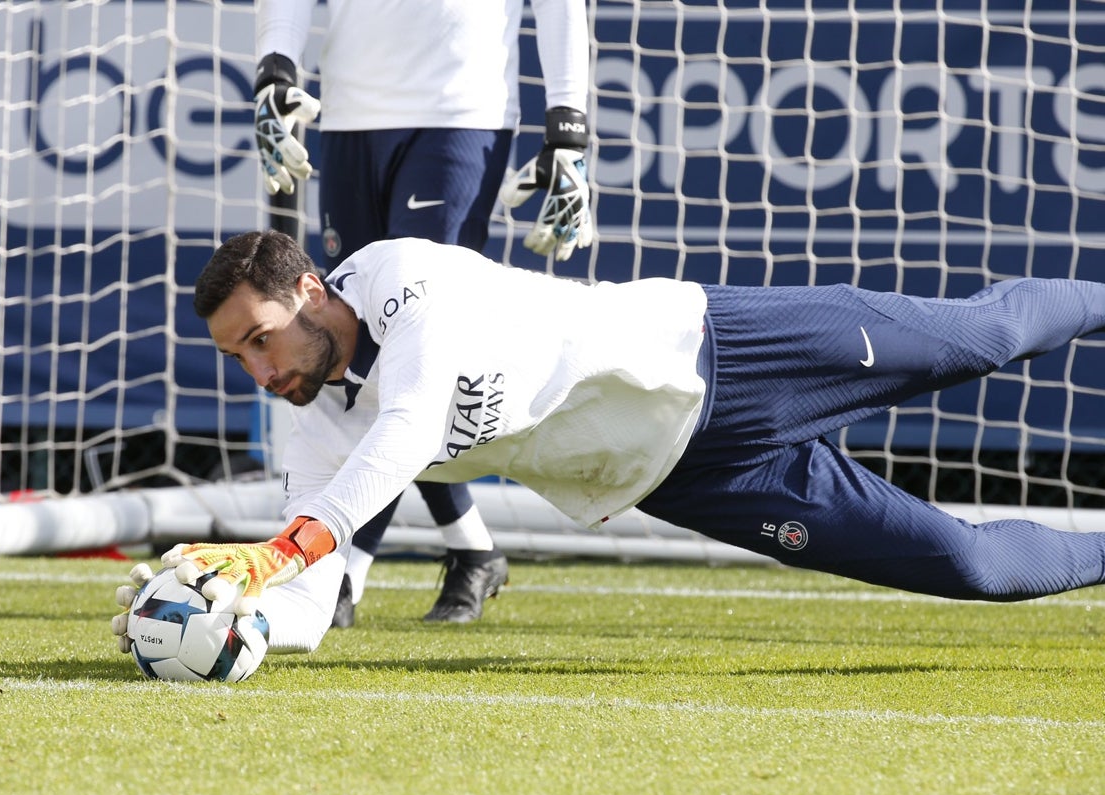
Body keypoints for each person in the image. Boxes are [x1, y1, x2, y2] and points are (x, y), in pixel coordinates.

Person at [114, 231, 1105, 655]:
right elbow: (313, 599)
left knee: (990, 337)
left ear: (312, 291)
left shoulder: (405, 277)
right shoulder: (311, 409)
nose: (259, 369)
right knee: (970, 567)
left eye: (260, 338)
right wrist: (217, 613)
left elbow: (411, 426)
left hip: (723, 349)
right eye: (237, 356)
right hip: (686, 476)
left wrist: (287, 544)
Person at [250, 0, 594, 626]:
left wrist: (569, 118)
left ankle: (347, 575)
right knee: (348, 351)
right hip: (349, 111)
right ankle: (470, 549)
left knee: (414, 353)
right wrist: (277, 63)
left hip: (460, 111)